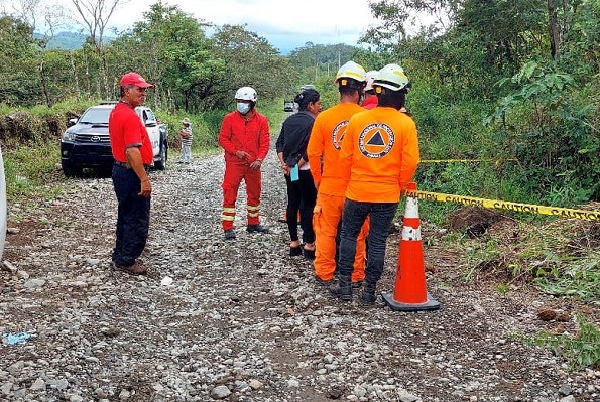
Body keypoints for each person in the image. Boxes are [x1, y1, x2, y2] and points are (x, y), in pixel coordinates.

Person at [330, 63, 419, 304]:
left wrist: (352, 182)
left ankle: (345, 286)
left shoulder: (359, 120)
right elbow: (410, 162)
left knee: (349, 235)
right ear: (398, 94)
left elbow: (345, 158)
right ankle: (369, 291)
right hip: (386, 195)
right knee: (378, 241)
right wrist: (398, 186)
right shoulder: (405, 124)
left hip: (357, 191)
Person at [307, 60, 369, 286]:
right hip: (358, 187)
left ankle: (324, 273)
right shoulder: (367, 118)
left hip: (330, 185)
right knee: (358, 233)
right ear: (360, 90)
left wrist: (318, 179)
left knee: (325, 231)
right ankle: (355, 274)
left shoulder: (324, 118)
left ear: (339, 88)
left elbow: (313, 153)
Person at [109, 72, 154, 275]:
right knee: (136, 218)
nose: (143, 93)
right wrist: (144, 178)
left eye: (144, 89)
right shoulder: (128, 116)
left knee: (126, 215)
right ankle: (127, 260)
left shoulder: (118, 111)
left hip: (121, 170)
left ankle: (120, 256)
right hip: (129, 173)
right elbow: (132, 150)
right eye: (139, 89)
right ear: (126, 90)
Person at [218, 86, 270, 240]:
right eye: (239, 101)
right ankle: (228, 227)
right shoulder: (229, 118)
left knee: (255, 193)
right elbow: (223, 139)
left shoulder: (261, 120)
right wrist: (236, 151)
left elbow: (265, 142)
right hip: (234, 163)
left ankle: (253, 223)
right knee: (229, 192)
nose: (241, 104)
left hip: (253, 164)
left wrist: (259, 159)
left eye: (244, 101)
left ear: (252, 103)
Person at [276, 88, 322, 259]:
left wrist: (285, 165)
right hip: (306, 170)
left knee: (292, 203)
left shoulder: (288, 121)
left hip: (289, 171)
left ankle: (294, 242)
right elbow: (312, 150)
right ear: (310, 105)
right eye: (318, 103)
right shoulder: (315, 122)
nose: (320, 107)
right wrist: (297, 164)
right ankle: (309, 244)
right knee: (309, 205)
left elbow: (279, 144)